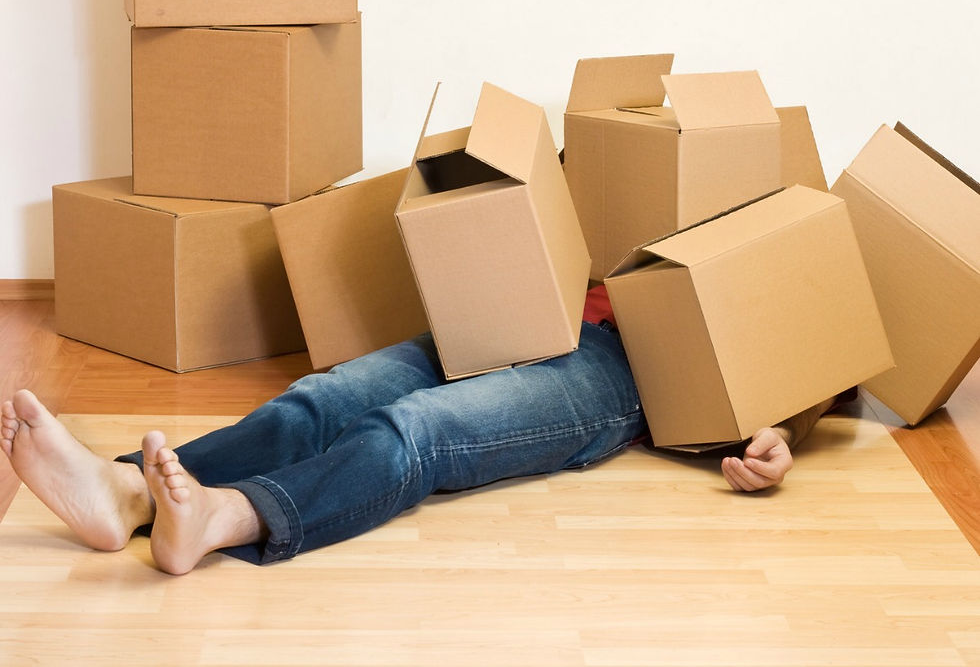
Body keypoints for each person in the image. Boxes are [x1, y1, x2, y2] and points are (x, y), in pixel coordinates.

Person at [1, 286, 838, 576]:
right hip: (526, 313)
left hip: (623, 377)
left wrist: (779, 431)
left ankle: (227, 516)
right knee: (322, 399)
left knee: (415, 428)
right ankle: (124, 489)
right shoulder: (646, 171)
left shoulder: (795, 268)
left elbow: (814, 377)